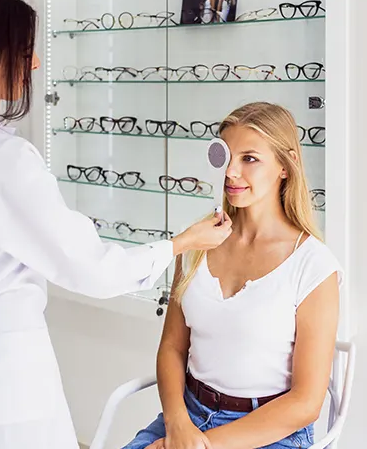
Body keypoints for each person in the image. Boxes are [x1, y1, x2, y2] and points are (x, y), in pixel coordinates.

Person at [0, 0, 232, 448]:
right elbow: (89, 266)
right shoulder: (4, 160)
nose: (34, 63)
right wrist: (178, 243)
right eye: (21, 52)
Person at [122, 102, 342, 449]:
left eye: (249, 159)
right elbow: (172, 348)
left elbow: (305, 403)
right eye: (225, 157)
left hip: (269, 431)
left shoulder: (313, 265)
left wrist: (202, 446)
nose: (230, 173)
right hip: (188, 416)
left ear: (286, 166)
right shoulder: (197, 244)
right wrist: (178, 426)